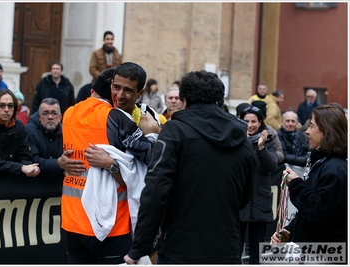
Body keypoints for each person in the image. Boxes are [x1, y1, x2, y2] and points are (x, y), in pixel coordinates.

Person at [124, 70, 256, 264]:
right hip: (226, 248)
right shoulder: (242, 139)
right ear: (220, 101)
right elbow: (245, 196)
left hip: (180, 248)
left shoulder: (174, 131)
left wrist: (139, 247)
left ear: (184, 101)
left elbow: (155, 190)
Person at [59, 65, 159, 264]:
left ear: (92, 90)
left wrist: (61, 162)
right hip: (110, 224)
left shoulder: (69, 113)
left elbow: (68, 154)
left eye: (127, 90)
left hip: (71, 220)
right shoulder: (114, 117)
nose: (120, 95)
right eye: (117, 88)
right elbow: (153, 156)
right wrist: (154, 133)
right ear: (110, 89)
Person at [271, 105, 347, 259]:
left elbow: (320, 211)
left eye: (312, 126)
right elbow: (309, 211)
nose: (306, 131)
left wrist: (296, 184)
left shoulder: (335, 169)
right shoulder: (324, 163)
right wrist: (291, 230)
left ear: (326, 131)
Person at [238, 105, 277, 264]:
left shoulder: (268, 140)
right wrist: (244, 144)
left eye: (254, 121)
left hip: (260, 198)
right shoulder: (234, 139)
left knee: (256, 250)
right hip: (240, 200)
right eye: (246, 121)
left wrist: (261, 148)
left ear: (260, 122)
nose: (250, 125)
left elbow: (271, 166)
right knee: (236, 247)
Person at [26, 98, 64, 178]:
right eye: (45, 113)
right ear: (39, 117)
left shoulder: (67, 132)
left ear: (60, 117)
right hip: (37, 183)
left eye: (54, 113)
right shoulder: (30, 132)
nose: (50, 117)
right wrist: (58, 163)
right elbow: (33, 161)